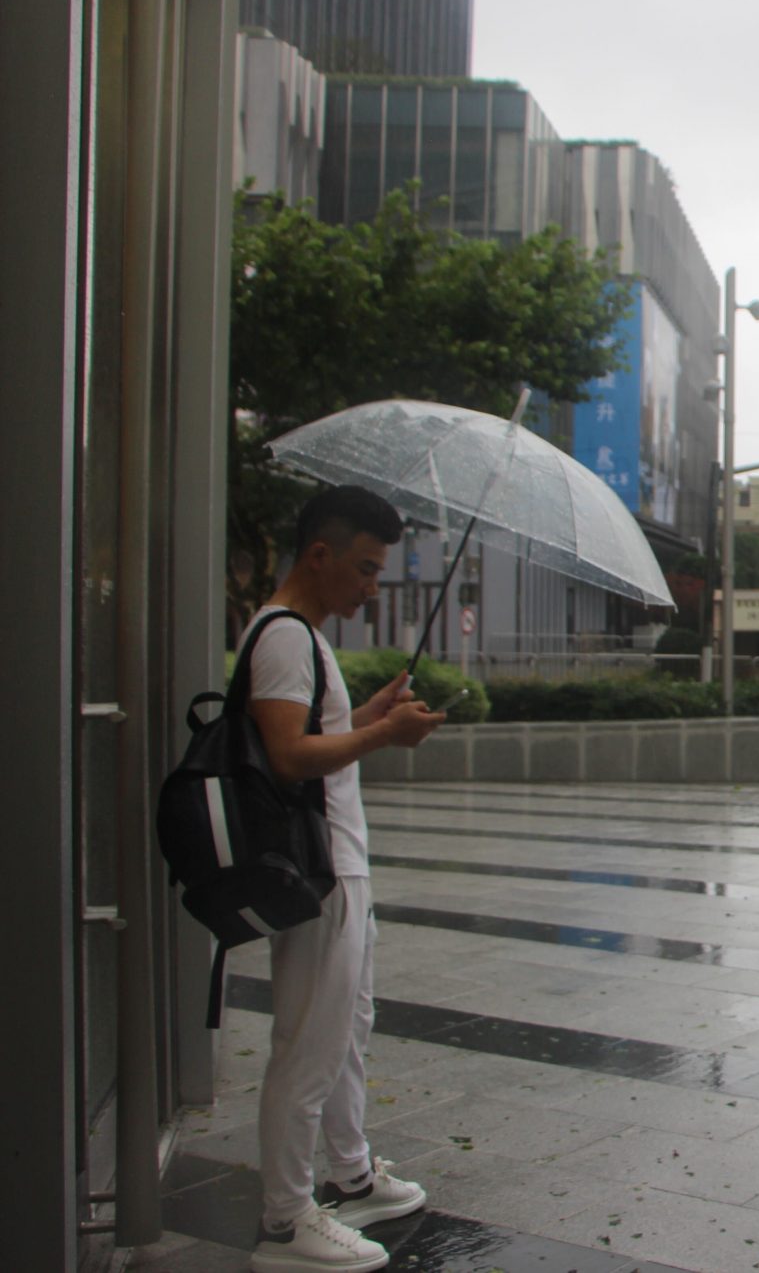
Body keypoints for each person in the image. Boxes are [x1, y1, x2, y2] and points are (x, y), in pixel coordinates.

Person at [243, 486, 446, 1273]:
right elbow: (288, 755)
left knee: (346, 1028)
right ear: (320, 555)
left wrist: (366, 715)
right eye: (364, 568)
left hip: (341, 861)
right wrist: (385, 735)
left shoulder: (303, 638)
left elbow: (312, 734)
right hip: (320, 866)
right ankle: (286, 1218)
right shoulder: (285, 637)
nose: (372, 586)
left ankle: (350, 1173)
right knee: (309, 1044)